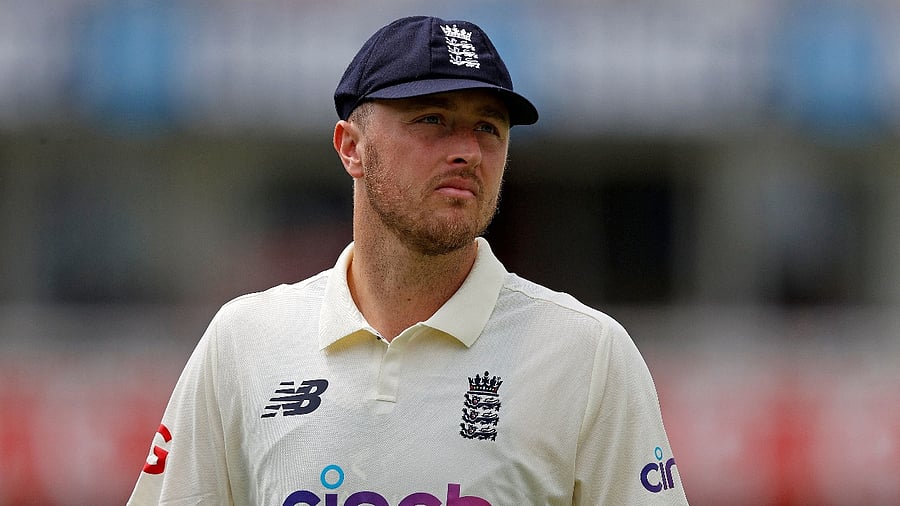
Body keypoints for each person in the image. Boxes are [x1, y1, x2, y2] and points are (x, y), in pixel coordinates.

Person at [128, 15, 688, 505]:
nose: (467, 149)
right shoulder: (243, 341)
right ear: (351, 147)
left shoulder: (588, 354)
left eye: (488, 128)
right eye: (432, 120)